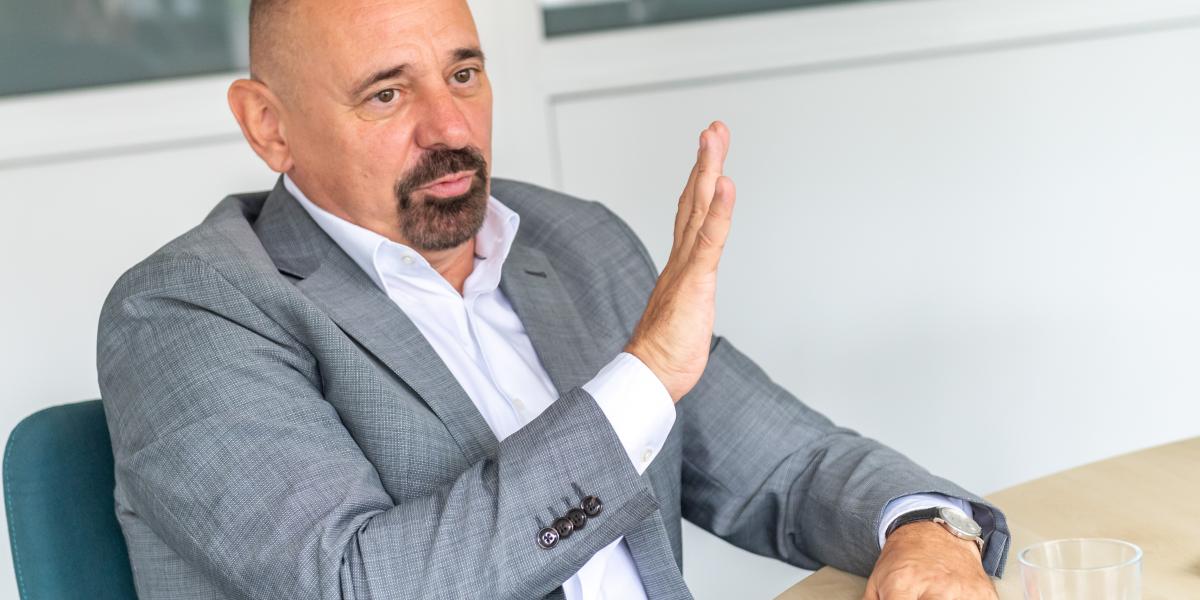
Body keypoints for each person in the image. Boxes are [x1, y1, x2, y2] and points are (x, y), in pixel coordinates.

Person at [96, 0, 1010, 598]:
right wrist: (640, 381)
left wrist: (922, 527)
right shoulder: (189, 312)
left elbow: (789, 466)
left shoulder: (573, 243)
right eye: (387, 94)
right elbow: (359, 584)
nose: (451, 127)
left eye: (463, 74)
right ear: (269, 126)